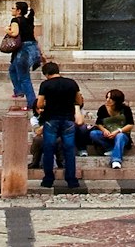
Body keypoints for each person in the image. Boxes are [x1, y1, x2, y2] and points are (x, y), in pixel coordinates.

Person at [35, 61, 84, 190]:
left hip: (51, 119)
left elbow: (39, 104)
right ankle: (72, 181)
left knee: (49, 150)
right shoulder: (71, 83)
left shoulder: (45, 84)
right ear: (58, 70)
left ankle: (48, 180)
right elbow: (79, 100)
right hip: (68, 119)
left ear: (46, 74)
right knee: (69, 150)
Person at [6, 0, 41, 111]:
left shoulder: (15, 20)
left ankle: (31, 102)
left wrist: (7, 30)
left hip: (23, 51)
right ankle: (18, 91)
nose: (12, 10)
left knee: (25, 77)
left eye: (13, 8)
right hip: (32, 48)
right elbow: (33, 37)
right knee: (12, 69)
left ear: (18, 10)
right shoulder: (29, 21)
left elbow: (15, 33)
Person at [88, 88, 134, 169]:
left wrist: (118, 131)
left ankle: (116, 160)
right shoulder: (103, 108)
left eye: (111, 98)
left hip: (121, 134)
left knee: (120, 136)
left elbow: (130, 124)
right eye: (107, 97)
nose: (108, 100)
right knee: (93, 134)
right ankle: (110, 149)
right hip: (107, 134)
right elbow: (99, 123)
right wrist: (104, 130)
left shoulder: (125, 109)